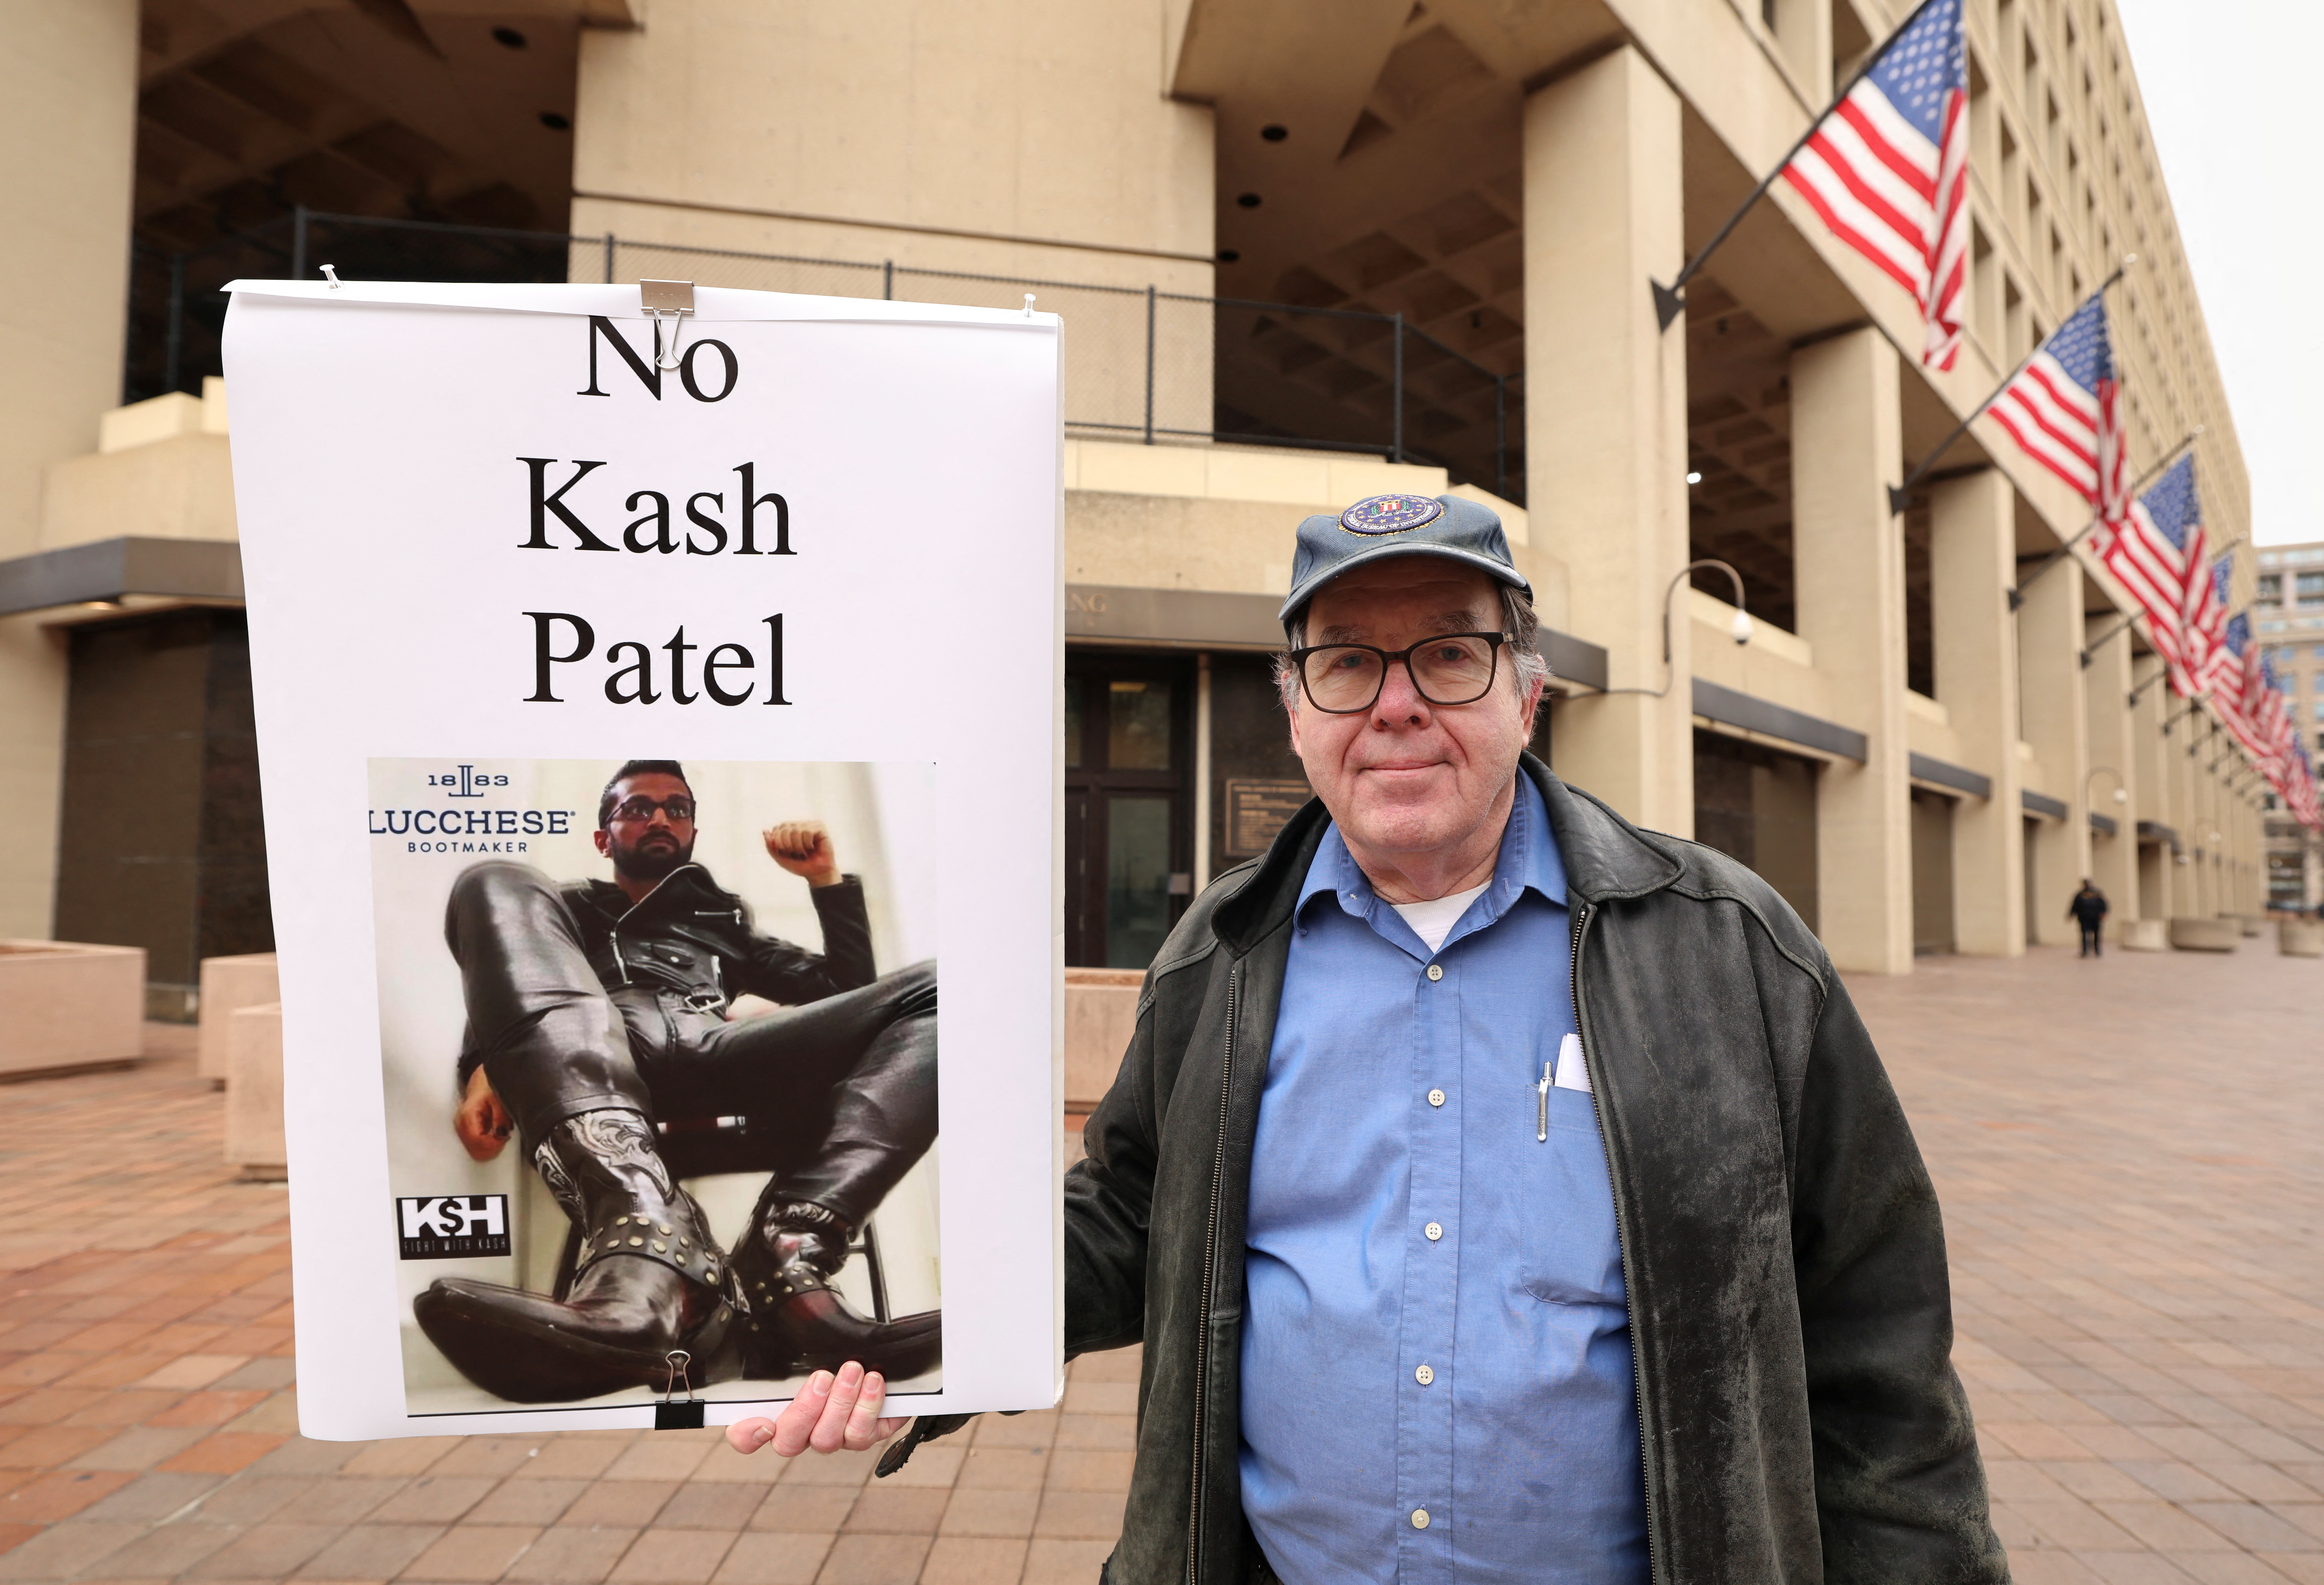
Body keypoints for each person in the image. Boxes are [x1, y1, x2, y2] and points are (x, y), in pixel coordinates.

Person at [731, 495, 2007, 1584]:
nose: (1396, 705)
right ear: (1296, 711)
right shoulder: (1221, 954)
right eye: (1347, 662)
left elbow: (1879, 1346)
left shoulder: (1729, 953)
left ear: (1528, 693)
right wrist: (936, 1337)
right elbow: (1129, 1211)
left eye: (1449, 654)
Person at [412, 759, 939, 1403]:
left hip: (719, 1055)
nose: (661, 817)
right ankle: (648, 1231)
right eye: (639, 807)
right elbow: (508, 983)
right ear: (604, 836)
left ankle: (786, 1253)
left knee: (942, 992)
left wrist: (825, 881)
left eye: (677, 808)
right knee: (492, 879)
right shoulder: (560, 908)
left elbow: (850, 997)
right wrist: (481, 1069)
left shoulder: (723, 922)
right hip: (594, 1066)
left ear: (692, 831)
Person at [2067, 879, 2110, 957]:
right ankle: (2085, 951)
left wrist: (2103, 913)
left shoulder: (2097, 894)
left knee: (2097, 935)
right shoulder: (2080, 895)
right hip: (2084, 918)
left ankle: (2097, 950)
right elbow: (2075, 906)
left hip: (2095, 918)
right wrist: (2071, 915)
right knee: (2084, 935)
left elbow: (2104, 904)